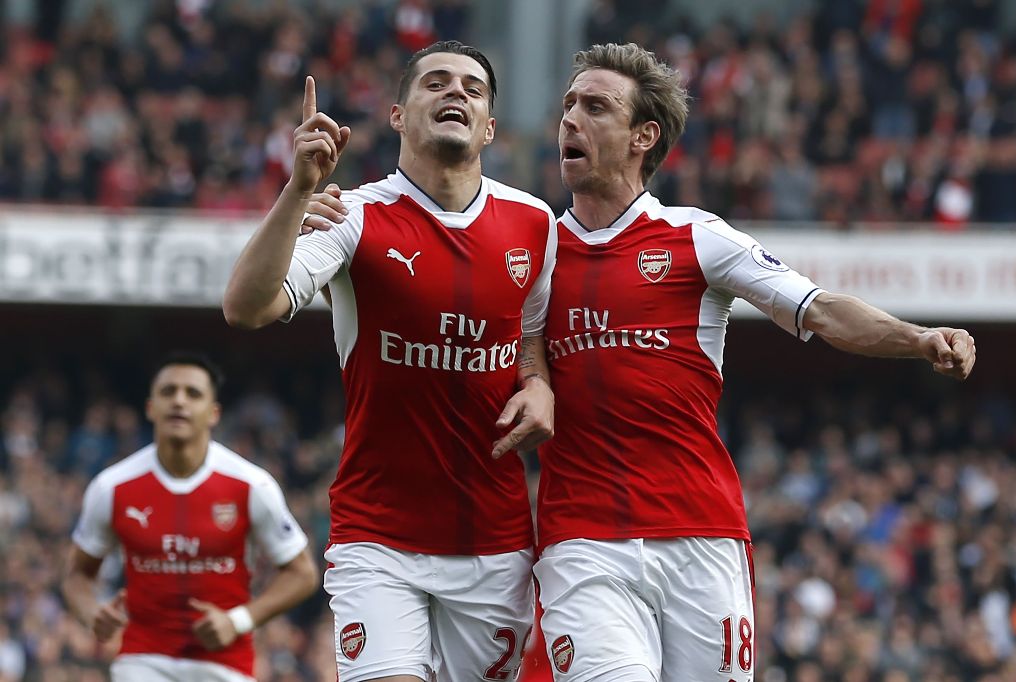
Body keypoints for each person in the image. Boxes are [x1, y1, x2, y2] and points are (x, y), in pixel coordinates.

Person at [302, 42, 977, 681]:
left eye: (595, 107)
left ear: (642, 137)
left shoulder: (697, 239)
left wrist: (918, 338)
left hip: (702, 535)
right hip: (580, 543)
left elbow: (821, 309)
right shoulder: (529, 244)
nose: (570, 117)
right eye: (567, 105)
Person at [223, 40, 557, 682]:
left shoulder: (534, 224)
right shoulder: (353, 215)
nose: (454, 92)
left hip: (494, 541)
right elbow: (247, 307)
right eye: (435, 82)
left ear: (489, 126)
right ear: (399, 114)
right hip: (378, 537)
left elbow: (532, 335)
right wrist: (297, 192)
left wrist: (538, 384)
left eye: (471, 87)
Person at [62, 352, 319, 682]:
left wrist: (238, 620)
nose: (179, 401)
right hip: (142, 660)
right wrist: (90, 612)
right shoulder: (111, 487)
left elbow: (303, 574)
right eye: (168, 392)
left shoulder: (252, 485)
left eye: (193, 393)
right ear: (151, 407)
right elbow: (76, 575)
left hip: (226, 663)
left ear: (214, 413)